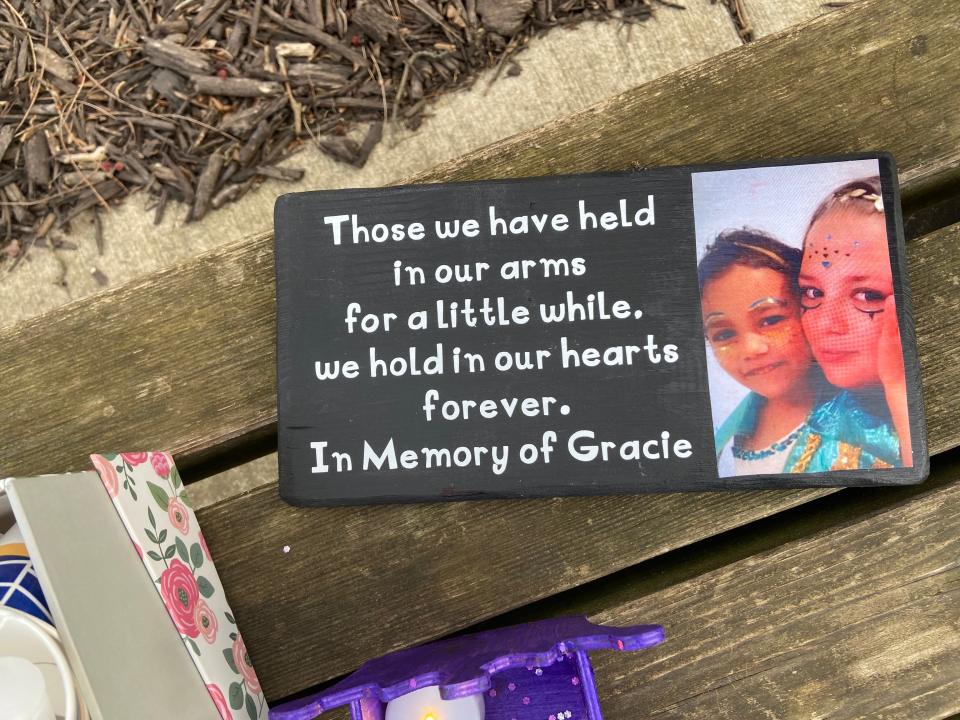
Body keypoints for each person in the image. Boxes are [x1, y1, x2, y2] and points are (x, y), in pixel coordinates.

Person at [699, 228, 901, 477]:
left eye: (771, 319)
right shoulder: (730, 429)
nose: (752, 349)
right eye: (724, 335)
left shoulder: (867, 428)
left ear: (808, 308)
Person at [798, 176, 911, 467]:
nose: (826, 323)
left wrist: (899, 388)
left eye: (867, 295)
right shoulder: (821, 428)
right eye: (812, 292)